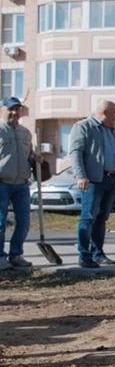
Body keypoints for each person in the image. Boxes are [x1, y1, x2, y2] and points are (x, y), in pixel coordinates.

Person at [70, 100, 115, 269]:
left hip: (110, 179)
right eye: (114, 113)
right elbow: (76, 152)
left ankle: (98, 253)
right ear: (104, 113)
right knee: (89, 217)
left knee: (102, 218)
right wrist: (81, 175)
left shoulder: (112, 130)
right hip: (93, 180)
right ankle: (84, 255)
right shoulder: (84, 126)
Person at [0, 97, 34, 271]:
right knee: (0, 221)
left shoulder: (25, 133)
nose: (14, 113)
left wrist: (36, 159)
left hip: (22, 184)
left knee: (24, 221)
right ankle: (0, 257)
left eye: (18, 109)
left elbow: (30, 155)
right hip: (2, 183)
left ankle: (16, 254)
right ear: (2, 111)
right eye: (11, 109)